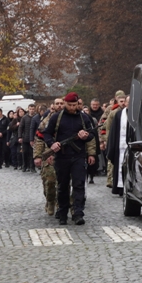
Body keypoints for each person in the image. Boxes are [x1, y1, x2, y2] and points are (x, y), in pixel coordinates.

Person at [42, 92, 97, 224]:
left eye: (74, 105)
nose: (72, 108)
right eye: (70, 105)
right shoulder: (56, 118)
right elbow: (47, 134)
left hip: (78, 156)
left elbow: (92, 134)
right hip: (62, 156)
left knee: (79, 185)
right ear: (65, 103)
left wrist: (85, 136)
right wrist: (52, 144)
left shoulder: (84, 118)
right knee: (62, 185)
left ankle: (78, 213)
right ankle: (62, 212)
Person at [103, 91, 127, 193]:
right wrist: (106, 140)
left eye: (123, 101)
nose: (122, 103)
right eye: (120, 101)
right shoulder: (113, 112)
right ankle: (110, 179)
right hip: (116, 140)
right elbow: (108, 127)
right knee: (112, 163)